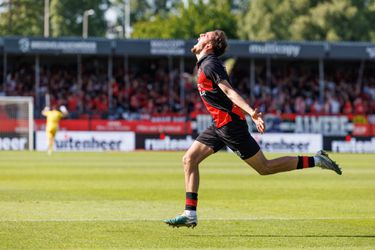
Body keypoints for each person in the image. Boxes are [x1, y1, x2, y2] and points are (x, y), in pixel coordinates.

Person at [163, 30, 342, 228]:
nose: (201, 34)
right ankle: (190, 214)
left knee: (265, 168)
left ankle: (317, 160)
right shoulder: (204, 64)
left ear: (209, 46)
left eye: (206, 35)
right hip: (219, 124)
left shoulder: (211, 64)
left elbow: (229, 91)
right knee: (189, 159)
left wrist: (251, 113)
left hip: (231, 126)